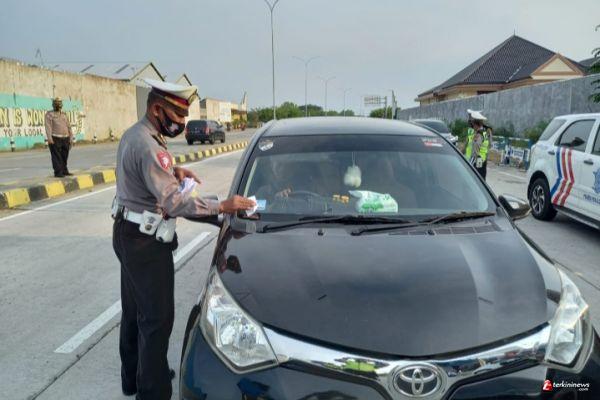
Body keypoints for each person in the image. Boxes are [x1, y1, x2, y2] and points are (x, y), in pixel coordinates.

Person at [112, 78, 255, 400]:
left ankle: (133, 378)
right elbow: (174, 203)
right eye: (177, 116)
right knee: (157, 319)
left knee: (134, 311)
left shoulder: (136, 135)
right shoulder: (149, 145)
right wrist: (223, 206)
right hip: (145, 243)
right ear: (156, 109)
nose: (181, 122)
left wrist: (173, 171)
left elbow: (140, 174)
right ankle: (153, 390)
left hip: (126, 231)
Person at [44, 97, 73, 177]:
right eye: (56, 103)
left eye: (59, 103)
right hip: (55, 138)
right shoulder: (49, 114)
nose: (58, 104)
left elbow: (69, 127)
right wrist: (50, 138)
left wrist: (71, 137)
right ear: (53, 105)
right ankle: (58, 172)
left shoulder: (64, 115)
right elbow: (48, 127)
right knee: (56, 157)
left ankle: (64, 170)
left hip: (65, 138)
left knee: (64, 156)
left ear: (61, 105)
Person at [464, 109, 492, 180]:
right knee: (481, 180)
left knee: (473, 180)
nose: (472, 126)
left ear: (475, 124)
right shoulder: (485, 132)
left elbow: (475, 152)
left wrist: (469, 164)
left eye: (473, 124)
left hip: (477, 161)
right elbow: (489, 145)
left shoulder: (478, 135)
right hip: (483, 161)